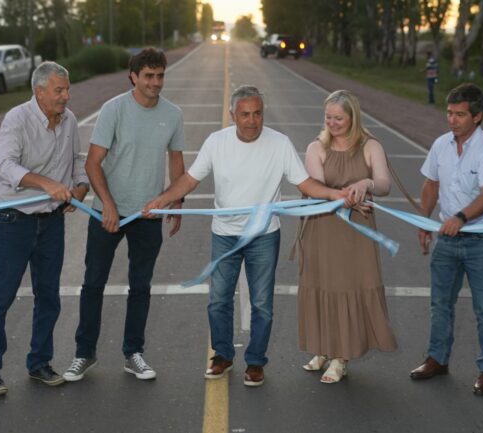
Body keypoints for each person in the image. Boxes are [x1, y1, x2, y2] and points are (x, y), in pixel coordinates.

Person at [143, 85, 348, 387]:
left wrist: (334, 194)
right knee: (218, 300)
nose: (252, 121)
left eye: (257, 114)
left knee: (262, 303)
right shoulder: (216, 142)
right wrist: (161, 200)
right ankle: (222, 356)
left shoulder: (279, 143)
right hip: (224, 235)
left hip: (264, 236)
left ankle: (255, 362)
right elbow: (189, 179)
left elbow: (305, 183)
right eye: (245, 114)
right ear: (233, 115)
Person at [63, 47, 185, 382]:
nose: (155, 82)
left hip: (147, 216)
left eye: (160, 75)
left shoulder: (173, 114)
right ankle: (84, 354)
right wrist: (109, 205)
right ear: (133, 77)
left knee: (140, 286)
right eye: (148, 76)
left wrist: (177, 201)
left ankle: (133, 354)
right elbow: (93, 163)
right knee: (93, 284)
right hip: (107, 214)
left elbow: (176, 160)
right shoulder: (113, 109)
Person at [0, 61, 89, 396]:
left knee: (49, 296)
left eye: (67, 89)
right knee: (1, 296)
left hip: (51, 221)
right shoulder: (17, 119)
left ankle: (39, 363)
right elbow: (5, 165)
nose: (66, 96)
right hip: (12, 220)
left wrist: (80, 188)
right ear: (39, 91)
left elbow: (77, 159)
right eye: (59, 90)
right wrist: (47, 183)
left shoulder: (69, 120)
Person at [409, 83, 483, 396]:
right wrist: (424, 222)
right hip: (447, 239)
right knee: (440, 303)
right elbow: (431, 185)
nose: (452, 120)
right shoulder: (441, 145)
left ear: (477, 116)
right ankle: (437, 359)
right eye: (449, 113)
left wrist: (461, 218)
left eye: (460, 115)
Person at [297, 90, 397, 384]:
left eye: (338, 118)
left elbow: (384, 185)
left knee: (347, 287)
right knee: (321, 285)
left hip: (357, 233)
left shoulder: (371, 146)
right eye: (328, 117)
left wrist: (366, 184)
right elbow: (317, 188)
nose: (332, 123)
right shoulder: (316, 147)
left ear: (353, 117)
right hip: (322, 228)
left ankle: (341, 357)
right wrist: (346, 199)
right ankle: (322, 348)